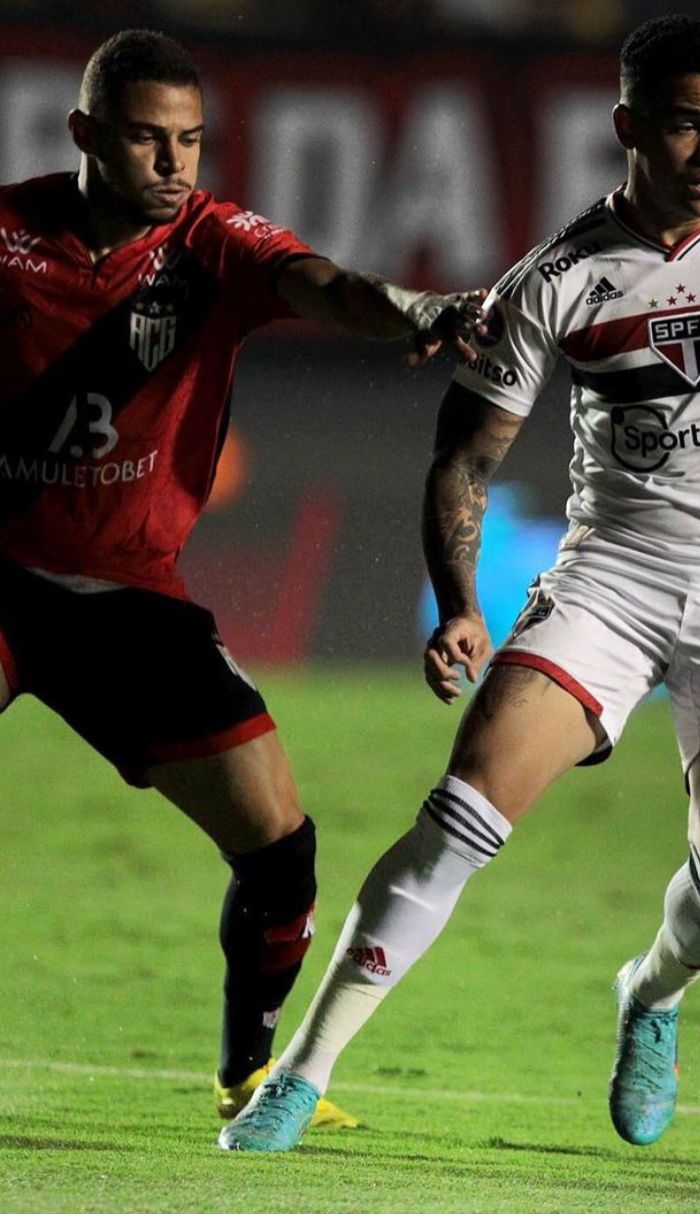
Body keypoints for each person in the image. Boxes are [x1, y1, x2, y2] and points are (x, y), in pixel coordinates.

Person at [219, 14, 700, 1153]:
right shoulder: (557, 280)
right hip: (613, 576)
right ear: (626, 128)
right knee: (465, 805)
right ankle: (302, 1072)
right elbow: (466, 457)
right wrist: (460, 600)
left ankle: (651, 992)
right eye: (681, 125)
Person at [0, 29, 485, 1132]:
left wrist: (416, 310)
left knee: (279, 845)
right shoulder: (7, 234)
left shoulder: (211, 242)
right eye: (145, 139)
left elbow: (322, 283)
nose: (174, 163)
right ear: (84, 135)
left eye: (191, 140)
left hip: (125, 596)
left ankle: (249, 1076)